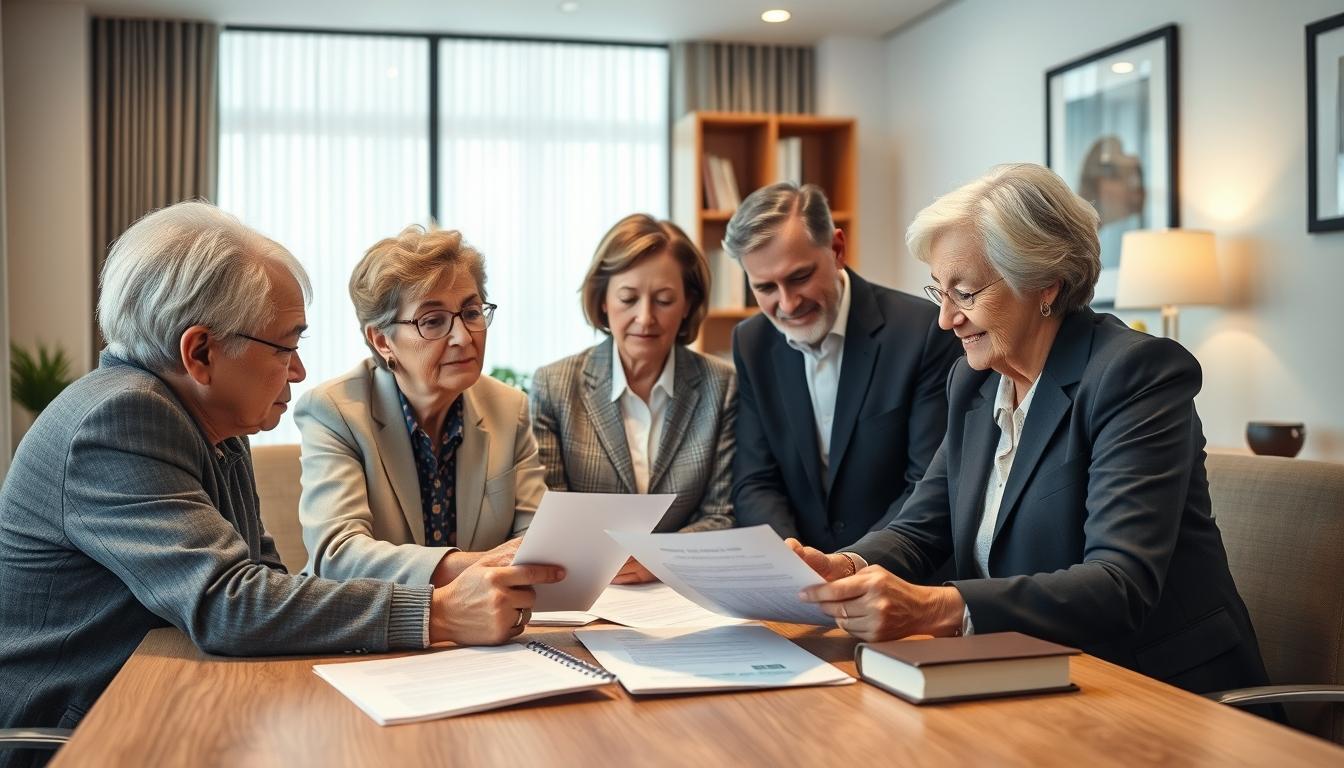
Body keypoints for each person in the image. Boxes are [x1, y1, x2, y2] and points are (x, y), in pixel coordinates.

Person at [0, 203, 562, 755]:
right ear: (200, 352)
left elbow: (264, 577)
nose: (299, 369)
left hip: (170, 693)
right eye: (287, 344)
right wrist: (438, 612)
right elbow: (228, 604)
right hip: (77, 730)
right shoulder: (120, 419)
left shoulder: (214, 417)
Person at [791, 163, 1271, 696]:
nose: (946, 320)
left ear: (1045, 284)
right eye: (939, 292)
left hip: (1159, 690)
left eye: (966, 293)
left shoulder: (1137, 375)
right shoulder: (973, 383)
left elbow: (1119, 584)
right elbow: (921, 526)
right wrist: (843, 566)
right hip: (1029, 674)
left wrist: (936, 606)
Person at [295, 226, 547, 589]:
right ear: (382, 341)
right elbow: (337, 554)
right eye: (433, 321)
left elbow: (535, 538)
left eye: (472, 312)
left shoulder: (509, 408)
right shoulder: (335, 411)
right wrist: (477, 567)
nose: (463, 337)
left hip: (487, 633)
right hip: (372, 630)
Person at [727, 182, 962, 552]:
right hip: (795, 578)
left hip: (898, 572)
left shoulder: (923, 332)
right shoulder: (750, 342)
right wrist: (791, 560)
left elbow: (927, 484)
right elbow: (755, 480)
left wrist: (848, 565)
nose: (787, 304)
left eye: (799, 277)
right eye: (766, 288)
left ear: (837, 249)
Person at [530, 214, 735, 583]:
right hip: (585, 588)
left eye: (664, 300)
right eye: (628, 298)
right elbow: (550, 517)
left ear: (688, 303)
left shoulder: (721, 385)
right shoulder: (555, 386)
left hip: (684, 590)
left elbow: (723, 515)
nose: (645, 318)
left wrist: (656, 561)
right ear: (604, 301)